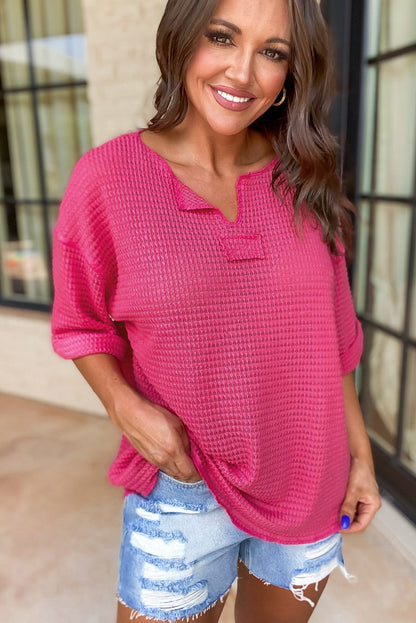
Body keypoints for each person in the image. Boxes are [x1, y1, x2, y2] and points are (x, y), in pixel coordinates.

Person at [51, 0, 381, 621]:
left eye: (272, 52)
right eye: (222, 38)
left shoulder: (303, 177)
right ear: (182, 37)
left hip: (311, 477)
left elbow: (334, 341)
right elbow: (82, 324)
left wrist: (361, 458)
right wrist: (125, 409)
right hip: (183, 484)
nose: (242, 72)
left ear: (290, 74)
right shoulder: (108, 180)